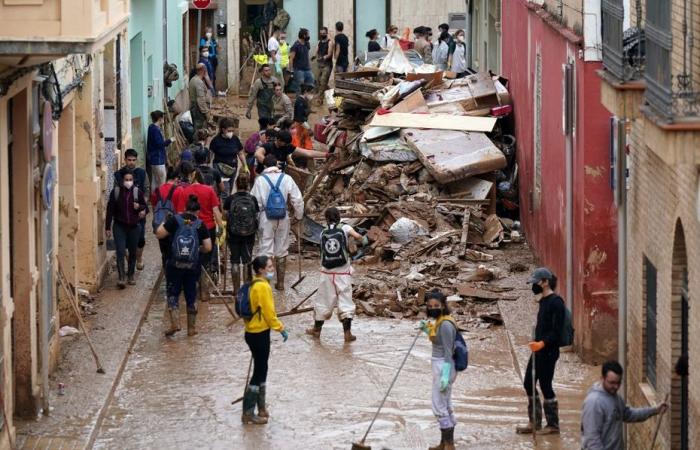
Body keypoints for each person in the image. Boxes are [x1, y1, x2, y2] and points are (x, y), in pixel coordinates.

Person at [516, 267, 566, 435]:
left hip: (548, 351)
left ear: (545, 282)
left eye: (536, 283)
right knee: (528, 382)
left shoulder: (556, 303)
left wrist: (543, 343)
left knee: (545, 385)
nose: (534, 286)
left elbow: (556, 331)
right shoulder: (543, 301)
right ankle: (534, 422)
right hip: (538, 350)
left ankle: (553, 425)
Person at [306, 207, 367, 342]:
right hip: (343, 272)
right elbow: (358, 237)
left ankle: (316, 330)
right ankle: (347, 334)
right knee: (345, 301)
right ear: (339, 217)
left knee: (323, 301)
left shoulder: (323, 232)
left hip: (326, 272)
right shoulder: (345, 228)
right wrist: (363, 240)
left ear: (327, 219)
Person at [156, 194, 212, 337]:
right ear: (198, 212)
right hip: (192, 266)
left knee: (173, 292)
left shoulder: (175, 220)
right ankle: (191, 328)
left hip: (174, 264)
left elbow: (159, 234)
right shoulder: (200, 224)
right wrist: (197, 250)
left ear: (184, 209)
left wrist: (164, 222)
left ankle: (175, 323)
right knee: (191, 294)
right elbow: (208, 247)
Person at [241, 255, 289, 425]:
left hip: (253, 331)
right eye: (269, 267)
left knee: (262, 368)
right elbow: (269, 313)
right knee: (260, 371)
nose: (272, 270)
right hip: (259, 333)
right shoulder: (262, 287)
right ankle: (248, 412)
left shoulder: (255, 283)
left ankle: (261, 407)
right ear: (260, 270)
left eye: (272, 267)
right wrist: (281, 328)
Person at [581, 360, 668, 450]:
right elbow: (592, 440)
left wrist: (654, 410)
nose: (616, 387)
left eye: (618, 383)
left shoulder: (615, 397)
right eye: (612, 383)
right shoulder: (594, 403)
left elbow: (628, 414)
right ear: (602, 378)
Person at [250, 154, 304, 291]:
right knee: (282, 249)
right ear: (277, 164)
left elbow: (253, 202)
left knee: (265, 249)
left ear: (265, 166)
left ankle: (266, 285)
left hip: (265, 217)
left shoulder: (260, 180)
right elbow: (298, 200)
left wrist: (256, 219)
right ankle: (280, 284)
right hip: (283, 217)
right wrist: (298, 216)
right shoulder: (287, 178)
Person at [173, 166, 224, 299]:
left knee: (191, 257)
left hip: (190, 229)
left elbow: (180, 214)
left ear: (192, 177)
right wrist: (221, 227)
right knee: (205, 260)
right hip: (208, 229)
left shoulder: (184, 191)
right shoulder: (210, 190)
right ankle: (204, 293)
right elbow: (216, 211)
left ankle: (191, 289)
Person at [418, 290, 458, 450]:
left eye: (436, 306)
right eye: (429, 306)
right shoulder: (440, 321)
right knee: (445, 404)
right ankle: (445, 443)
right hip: (440, 365)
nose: (432, 308)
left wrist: (445, 376)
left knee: (439, 406)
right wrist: (427, 330)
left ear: (443, 306)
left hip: (444, 366)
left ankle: (448, 444)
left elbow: (448, 352)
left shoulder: (446, 324)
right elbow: (438, 341)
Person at [105, 170, 148, 288]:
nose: (128, 182)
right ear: (122, 181)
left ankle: (130, 275)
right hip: (119, 226)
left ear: (133, 181)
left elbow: (145, 207)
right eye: (126, 180)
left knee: (133, 252)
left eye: (130, 180)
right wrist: (107, 227)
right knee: (120, 251)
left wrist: (139, 207)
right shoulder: (116, 192)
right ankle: (121, 277)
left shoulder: (137, 192)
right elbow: (110, 210)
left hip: (134, 227)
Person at [223, 175, 259, 294]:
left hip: (233, 234)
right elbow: (256, 216)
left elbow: (224, 216)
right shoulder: (253, 199)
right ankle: (247, 290)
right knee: (247, 260)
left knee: (234, 260)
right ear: (248, 185)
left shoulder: (230, 199)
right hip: (249, 234)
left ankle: (236, 291)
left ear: (236, 185)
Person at [115, 149, 148, 270]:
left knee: (140, 239)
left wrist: (143, 208)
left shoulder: (142, 173)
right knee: (125, 239)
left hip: (139, 212)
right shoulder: (118, 175)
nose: (131, 163)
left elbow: (146, 190)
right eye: (129, 160)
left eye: (134, 160)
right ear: (125, 160)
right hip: (123, 214)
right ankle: (130, 262)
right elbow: (115, 194)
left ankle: (139, 258)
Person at [254, 130, 328, 174]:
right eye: (284, 143)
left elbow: (308, 153)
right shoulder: (268, 146)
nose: (285, 144)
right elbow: (257, 154)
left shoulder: (287, 146)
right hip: (263, 174)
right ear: (278, 140)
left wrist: (326, 155)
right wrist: (271, 163)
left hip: (278, 175)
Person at [150, 166, 181, 266]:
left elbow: (154, 208)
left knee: (164, 251)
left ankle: (166, 268)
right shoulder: (179, 190)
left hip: (160, 225)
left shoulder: (157, 190)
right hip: (174, 225)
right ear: (176, 178)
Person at [209, 117, 246, 182]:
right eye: (229, 131)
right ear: (223, 129)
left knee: (229, 188)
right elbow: (210, 154)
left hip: (232, 169)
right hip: (219, 169)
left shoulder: (235, 139)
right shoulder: (216, 140)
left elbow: (240, 153)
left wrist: (245, 165)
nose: (231, 132)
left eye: (232, 131)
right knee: (222, 189)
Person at [146, 110, 172, 192]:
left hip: (153, 158)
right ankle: (161, 199)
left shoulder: (151, 127)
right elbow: (159, 144)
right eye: (162, 118)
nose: (163, 120)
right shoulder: (156, 130)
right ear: (160, 118)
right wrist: (169, 140)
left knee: (154, 180)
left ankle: (154, 199)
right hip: (158, 158)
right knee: (161, 181)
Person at [289, 28, 314, 94]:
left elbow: (306, 55)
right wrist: (291, 71)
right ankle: (299, 102)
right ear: (304, 35)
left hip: (307, 69)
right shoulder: (295, 46)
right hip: (298, 70)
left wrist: (309, 66)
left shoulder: (307, 44)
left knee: (310, 85)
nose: (309, 36)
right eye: (308, 35)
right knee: (299, 88)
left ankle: (306, 101)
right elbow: (291, 58)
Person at [189, 63, 212, 131]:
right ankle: (198, 141)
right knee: (201, 130)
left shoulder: (193, 79)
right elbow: (201, 99)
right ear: (203, 70)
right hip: (198, 109)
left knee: (197, 128)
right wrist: (206, 112)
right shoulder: (198, 82)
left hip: (195, 107)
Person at [315, 27, 333, 97]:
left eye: (324, 33)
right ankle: (327, 93)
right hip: (320, 64)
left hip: (327, 64)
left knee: (323, 80)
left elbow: (329, 54)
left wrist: (323, 57)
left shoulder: (330, 42)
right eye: (321, 33)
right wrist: (315, 56)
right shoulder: (319, 42)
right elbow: (316, 51)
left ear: (326, 33)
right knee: (317, 80)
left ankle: (320, 95)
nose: (322, 35)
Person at [200, 27, 218, 91]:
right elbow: (202, 48)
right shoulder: (203, 40)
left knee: (213, 74)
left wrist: (216, 55)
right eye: (208, 32)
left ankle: (213, 88)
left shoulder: (213, 40)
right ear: (205, 33)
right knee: (209, 73)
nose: (209, 33)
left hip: (214, 59)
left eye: (210, 32)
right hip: (207, 59)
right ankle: (209, 89)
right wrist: (207, 42)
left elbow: (216, 48)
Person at [267, 26, 285, 91]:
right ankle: (277, 98)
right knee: (280, 82)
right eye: (280, 32)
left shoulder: (275, 40)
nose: (280, 33)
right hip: (273, 64)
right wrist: (277, 66)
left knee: (277, 83)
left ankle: (277, 98)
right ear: (277, 31)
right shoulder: (272, 40)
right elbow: (272, 54)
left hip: (276, 64)